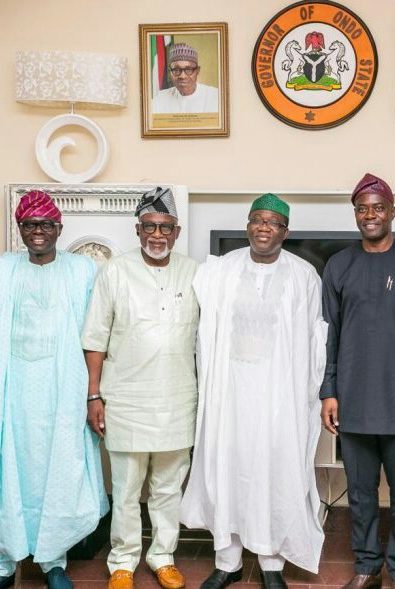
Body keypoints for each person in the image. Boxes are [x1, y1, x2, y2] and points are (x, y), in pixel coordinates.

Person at [181, 193, 327, 589]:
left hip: (279, 396)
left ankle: (270, 563)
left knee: (273, 472)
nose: (264, 228)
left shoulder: (303, 276)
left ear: (285, 232)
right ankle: (227, 562)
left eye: (273, 223)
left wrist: (305, 399)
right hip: (228, 393)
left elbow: (314, 343)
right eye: (257, 220)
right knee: (227, 468)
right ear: (248, 226)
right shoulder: (222, 270)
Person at [321, 173, 395, 589]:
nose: (369, 215)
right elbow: (328, 333)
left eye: (377, 208)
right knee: (360, 491)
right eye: (362, 209)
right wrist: (329, 391)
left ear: (392, 212)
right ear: (355, 214)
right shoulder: (339, 265)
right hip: (353, 397)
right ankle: (368, 566)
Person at [81, 187, 199, 589]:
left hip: (177, 399)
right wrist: (94, 394)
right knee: (126, 489)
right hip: (126, 399)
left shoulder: (194, 272)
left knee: (168, 488)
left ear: (177, 231)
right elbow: (95, 337)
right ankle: (123, 561)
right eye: (150, 226)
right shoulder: (115, 271)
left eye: (165, 227)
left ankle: (163, 556)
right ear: (137, 230)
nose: (157, 235)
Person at [0, 190, 108, 589]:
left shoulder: (82, 270)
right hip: (12, 391)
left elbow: (97, 332)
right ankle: (4, 561)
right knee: (8, 469)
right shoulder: (4, 268)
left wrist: (93, 392)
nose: (38, 231)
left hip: (63, 389)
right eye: (30, 224)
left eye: (46, 224)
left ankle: (52, 560)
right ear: (19, 228)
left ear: (59, 228)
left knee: (59, 468)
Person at [152, 43, 219, 114]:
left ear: (197, 71)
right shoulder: (160, 98)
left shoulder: (216, 97)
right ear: (170, 72)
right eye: (176, 70)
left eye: (188, 69)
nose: (182, 76)